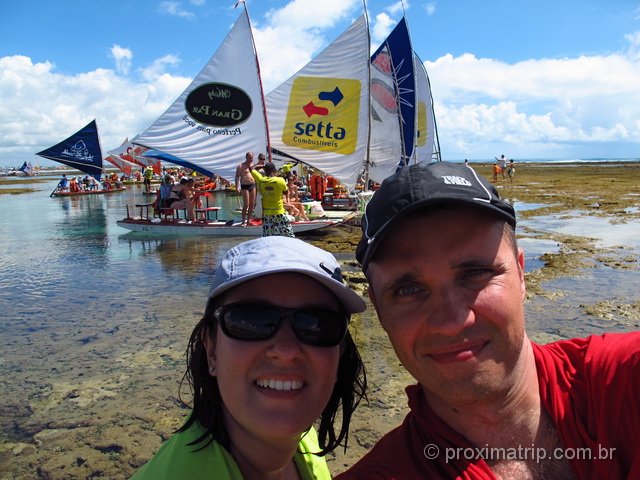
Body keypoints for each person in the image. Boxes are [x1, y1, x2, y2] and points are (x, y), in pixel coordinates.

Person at [338, 161, 640, 479]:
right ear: (378, 308)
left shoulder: (623, 381)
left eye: (476, 273)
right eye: (408, 289)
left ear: (522, 275)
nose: (452, 321)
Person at [130, 236, 367, 479]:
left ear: (338, 355)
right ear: (212, 350)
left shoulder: (305, 440)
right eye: (251, 322)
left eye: (318, 325)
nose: (286, 351)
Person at [252, 161, 294, 237]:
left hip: (266, 214)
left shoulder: (261, 180)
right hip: (279, 212)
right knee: (289, 235)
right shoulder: (281, 180)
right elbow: (285, 192)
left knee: (267, 237)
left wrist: (262, 166)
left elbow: (251, 169)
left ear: (265, 170)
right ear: (274, 171)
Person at [235, 152, 257, 226]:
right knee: (246, 204)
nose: (250, 159)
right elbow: (237, 177)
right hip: (244, 186)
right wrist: (237, 188)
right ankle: (243, 221)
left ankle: (249, 220)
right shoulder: (241, 166)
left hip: (253, 185)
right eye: (249, 158)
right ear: (246, 157)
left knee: (252, 203)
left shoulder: (253, 166)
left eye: (252, 158)